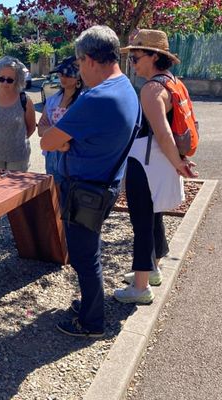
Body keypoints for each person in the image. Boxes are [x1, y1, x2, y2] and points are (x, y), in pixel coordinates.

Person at [40, 25, 140, 337]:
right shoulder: (125, 86)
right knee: (89, 252)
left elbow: (46, 141)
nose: (79, 70)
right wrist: (64, 141)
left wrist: (62, 141)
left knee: (85, 257)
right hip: (105, 184)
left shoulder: (95, 97)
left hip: (85, 190)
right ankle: (88, 305)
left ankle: (92, 322)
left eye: (79, 62)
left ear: (90, 60)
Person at [113, 29, 198, 304]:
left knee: (141, 221)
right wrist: (178, 162)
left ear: (153, 56)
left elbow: (162, 134)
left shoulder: (151, 89)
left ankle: (140, 288)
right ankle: (153, 270)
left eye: (136, 57)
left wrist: (180, 166)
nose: (133, 63)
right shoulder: (173, 82)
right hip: (161, 162)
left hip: (146, 161)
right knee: (154, 215)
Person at [0, 56, 36, 244]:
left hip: (18, 154)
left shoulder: (23, 99)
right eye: (1, 78)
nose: (5, 83)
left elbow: (31, 127)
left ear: (18, 80)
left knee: (17, 195)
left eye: (10, 79)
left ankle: (21, 233)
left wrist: (14, 140)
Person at [38, 56, 83, 185]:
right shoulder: (53, 100)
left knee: (69, 193)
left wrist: (52, 131)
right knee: (53, 193)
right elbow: (40, 130)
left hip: (72, 155)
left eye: (68, 74)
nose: (63, 77)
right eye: (61, 73)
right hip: (51, 154)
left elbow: (79, 132)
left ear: (78, 77)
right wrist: (62, 135)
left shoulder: (83, 101)